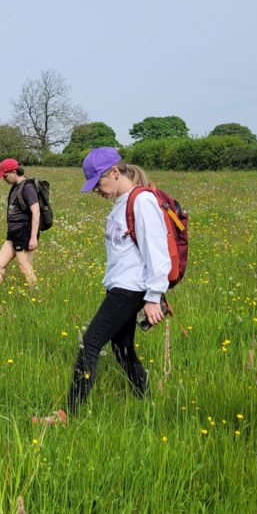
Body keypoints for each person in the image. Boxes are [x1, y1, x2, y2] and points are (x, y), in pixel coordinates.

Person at [63, 148, 171, 415]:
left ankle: (68, 414)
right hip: (121, 285)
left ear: (114, 172)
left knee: (90, 344)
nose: (97, 190)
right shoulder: (121, 203)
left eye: (98, 182)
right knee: (122, 348)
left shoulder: (142, 201)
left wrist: (154, 296)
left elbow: (156, 250)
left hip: (130, 289)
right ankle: (147, 401)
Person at [0, 158, 40, 291]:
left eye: (5, 175)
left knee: (24, 267)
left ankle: (35, 294)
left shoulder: (28, 187)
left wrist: (33, 237)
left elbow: (36, 212)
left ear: (13, 172)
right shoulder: (15, 186)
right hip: (13, 234)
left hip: (24, 233)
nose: (3, 179)